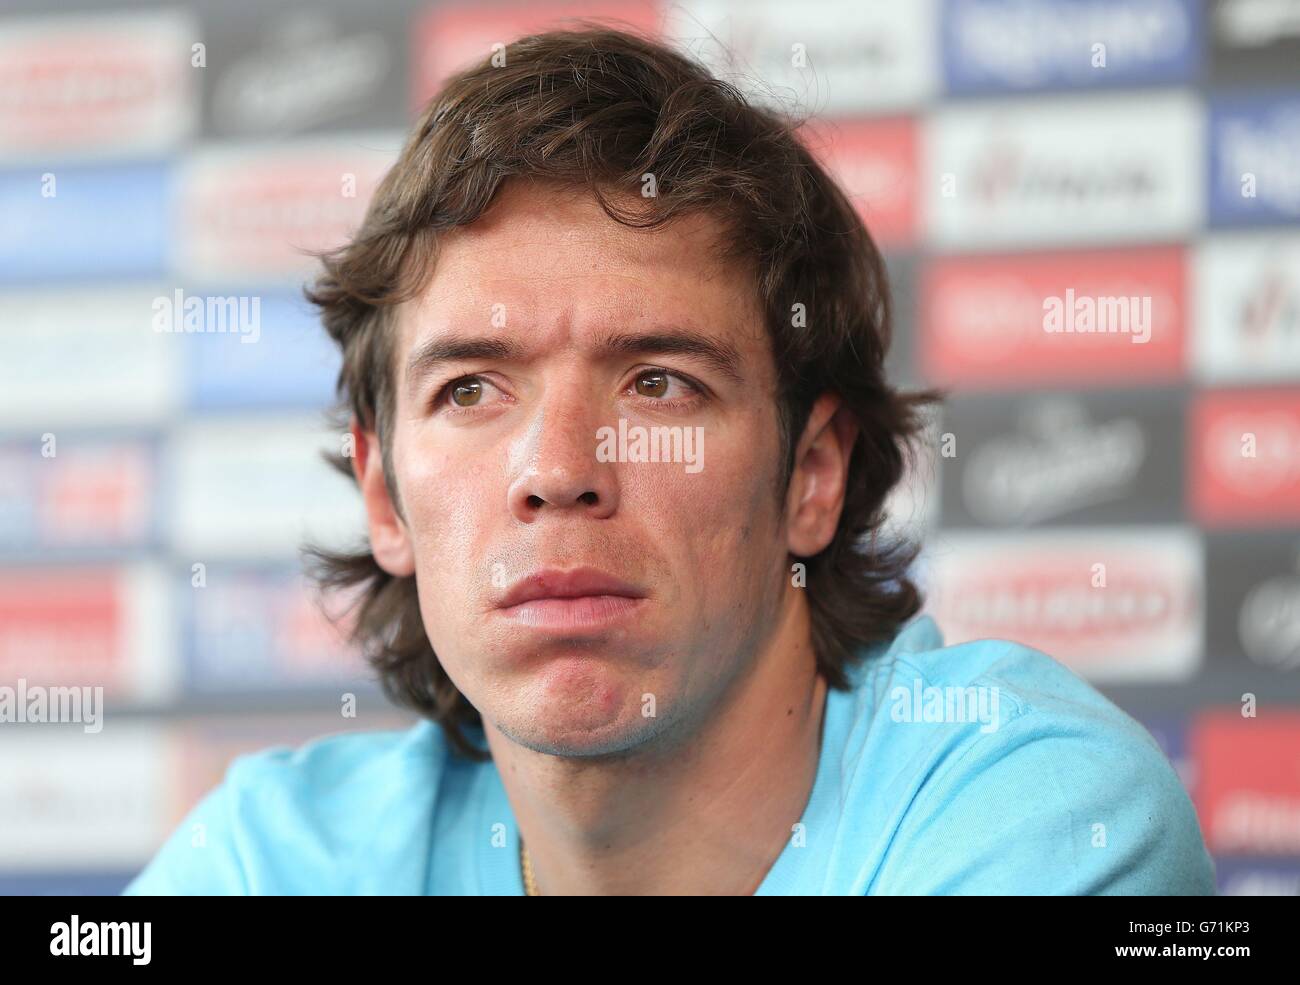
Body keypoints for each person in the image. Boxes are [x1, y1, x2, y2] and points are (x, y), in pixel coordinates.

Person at [124, 25, 1214, 895]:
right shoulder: (276, 855)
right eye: (470, 389)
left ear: (813, 475)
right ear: (383, 494)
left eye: (659, 381)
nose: (557, 469)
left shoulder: (1038, 809)